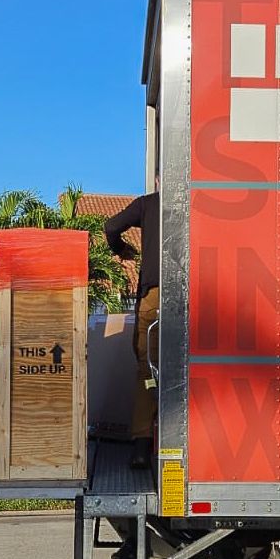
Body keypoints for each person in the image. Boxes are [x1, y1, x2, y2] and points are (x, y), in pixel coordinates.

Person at [104, 182, 159, 469]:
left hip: (155, 296)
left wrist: (122, 250)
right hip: (192, 295)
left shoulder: (148, 204)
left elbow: (111, 226)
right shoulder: (197, 204)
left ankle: (141, 446)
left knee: (147, 369)